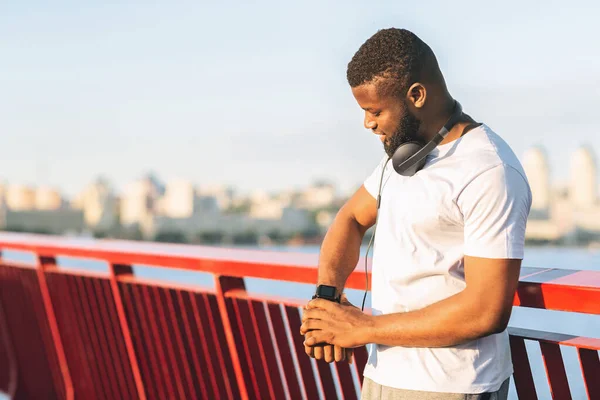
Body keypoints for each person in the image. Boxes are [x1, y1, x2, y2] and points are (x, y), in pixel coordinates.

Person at [299, 28, 532, 399]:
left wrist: (361, 328)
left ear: (417, 95)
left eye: (374, 111)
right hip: (385, 374)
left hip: (451, 387)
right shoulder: (403, 159)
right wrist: (328, 298)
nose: (368, 123)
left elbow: (487, 310)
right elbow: (351, 218)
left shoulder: (489, 170)